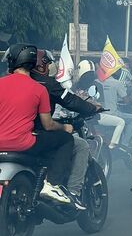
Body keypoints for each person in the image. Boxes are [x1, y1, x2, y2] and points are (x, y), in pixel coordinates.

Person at [0, 44, 75, 204]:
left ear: (13, 62)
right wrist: (64, 127)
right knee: (66, 139)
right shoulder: (39, 89)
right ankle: (52, 184)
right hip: (23, 144)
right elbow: (48, 125)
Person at [31, 50, 101, 209]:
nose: (50, 67)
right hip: (40, 133)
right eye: (48, 63)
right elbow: (70, 100)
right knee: (80, 144)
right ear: (41, 66)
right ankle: (72, 192)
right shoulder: (47, 84)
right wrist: (91, 108)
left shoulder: (14, 82)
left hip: (18, 134)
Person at [75, 60, 128, 152]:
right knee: (121, 122)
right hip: (94, 117)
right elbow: (100, 105)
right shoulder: (97, 84)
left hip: (80, 117)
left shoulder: (75, 86)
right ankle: (112, 146)